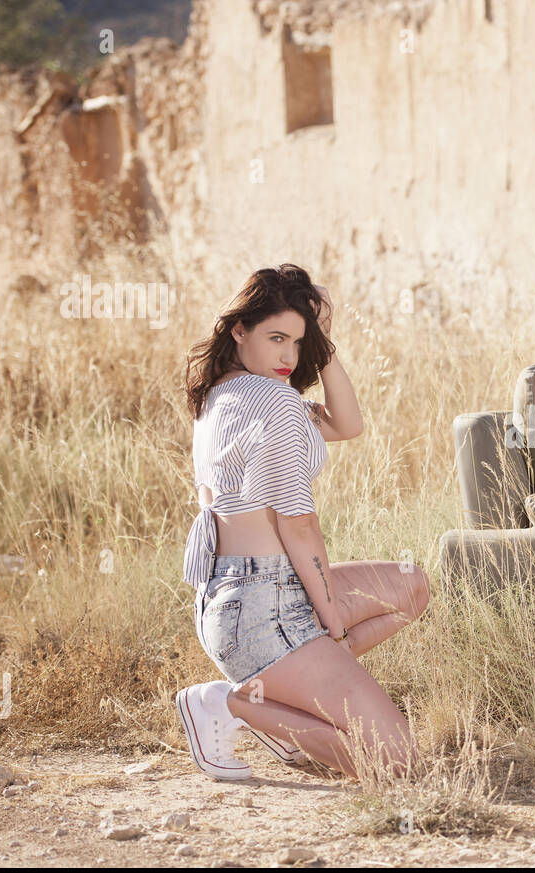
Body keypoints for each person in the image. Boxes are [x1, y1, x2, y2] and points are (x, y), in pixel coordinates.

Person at [174, 264, 425, 781]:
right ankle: (233, 704)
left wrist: (322, 342)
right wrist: (330, 620)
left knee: (411, 586)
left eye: (299, 342)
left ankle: (284, 711)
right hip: (263, 612)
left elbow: (346, 425)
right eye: (276, 338)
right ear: (238, 329)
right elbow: (299, 527)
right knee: (397, 762)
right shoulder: (275, 403)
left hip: (234, 601)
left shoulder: (222, 395)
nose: (289, 357)